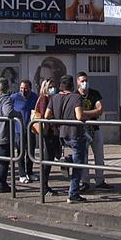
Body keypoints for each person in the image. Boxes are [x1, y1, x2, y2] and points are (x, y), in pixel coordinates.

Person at [45, 75, 87, 203]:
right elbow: (79, 116)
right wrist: (92, 113)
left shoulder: (55, 97)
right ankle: (73, 194)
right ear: (72, 86)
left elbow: (47, 115)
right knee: (78, 164)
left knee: (77, 157)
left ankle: (67, 160)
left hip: (62, 133)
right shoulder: (76, 97)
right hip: (75, 133)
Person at [77, 71, 112, 192]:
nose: (84, 83)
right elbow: (75, 113)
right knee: (84, 156)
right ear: (78, 82)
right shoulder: (75, 95)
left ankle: (100, 181)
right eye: (82, 81)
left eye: (86, 80)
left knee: (99, 156)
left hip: (95, 128)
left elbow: (100, 109)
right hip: (81, 130)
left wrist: (83, 113)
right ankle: (85, 182)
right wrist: (90, 113)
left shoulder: (94, 93)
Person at [34, 79, 61, 196]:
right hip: (48, 132)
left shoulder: (51, 98)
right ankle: (44, 186)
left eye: (54, 86)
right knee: (47, 159)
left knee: (50, 158)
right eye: (50, 86)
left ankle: (45, 185)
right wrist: (53, 127)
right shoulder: (44, 98)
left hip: (51, 132)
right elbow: (46, 116)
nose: (53, 89)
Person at [10, 79, 39, 184]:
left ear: (30, 88)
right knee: (20, 152)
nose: (23, 91)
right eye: (21, 88)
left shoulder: (34, 97)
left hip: (31, 128)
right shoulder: (14, 97)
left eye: (26, 88)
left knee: (30, 152)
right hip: (18, 129)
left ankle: (30, 172)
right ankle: (22, 174)